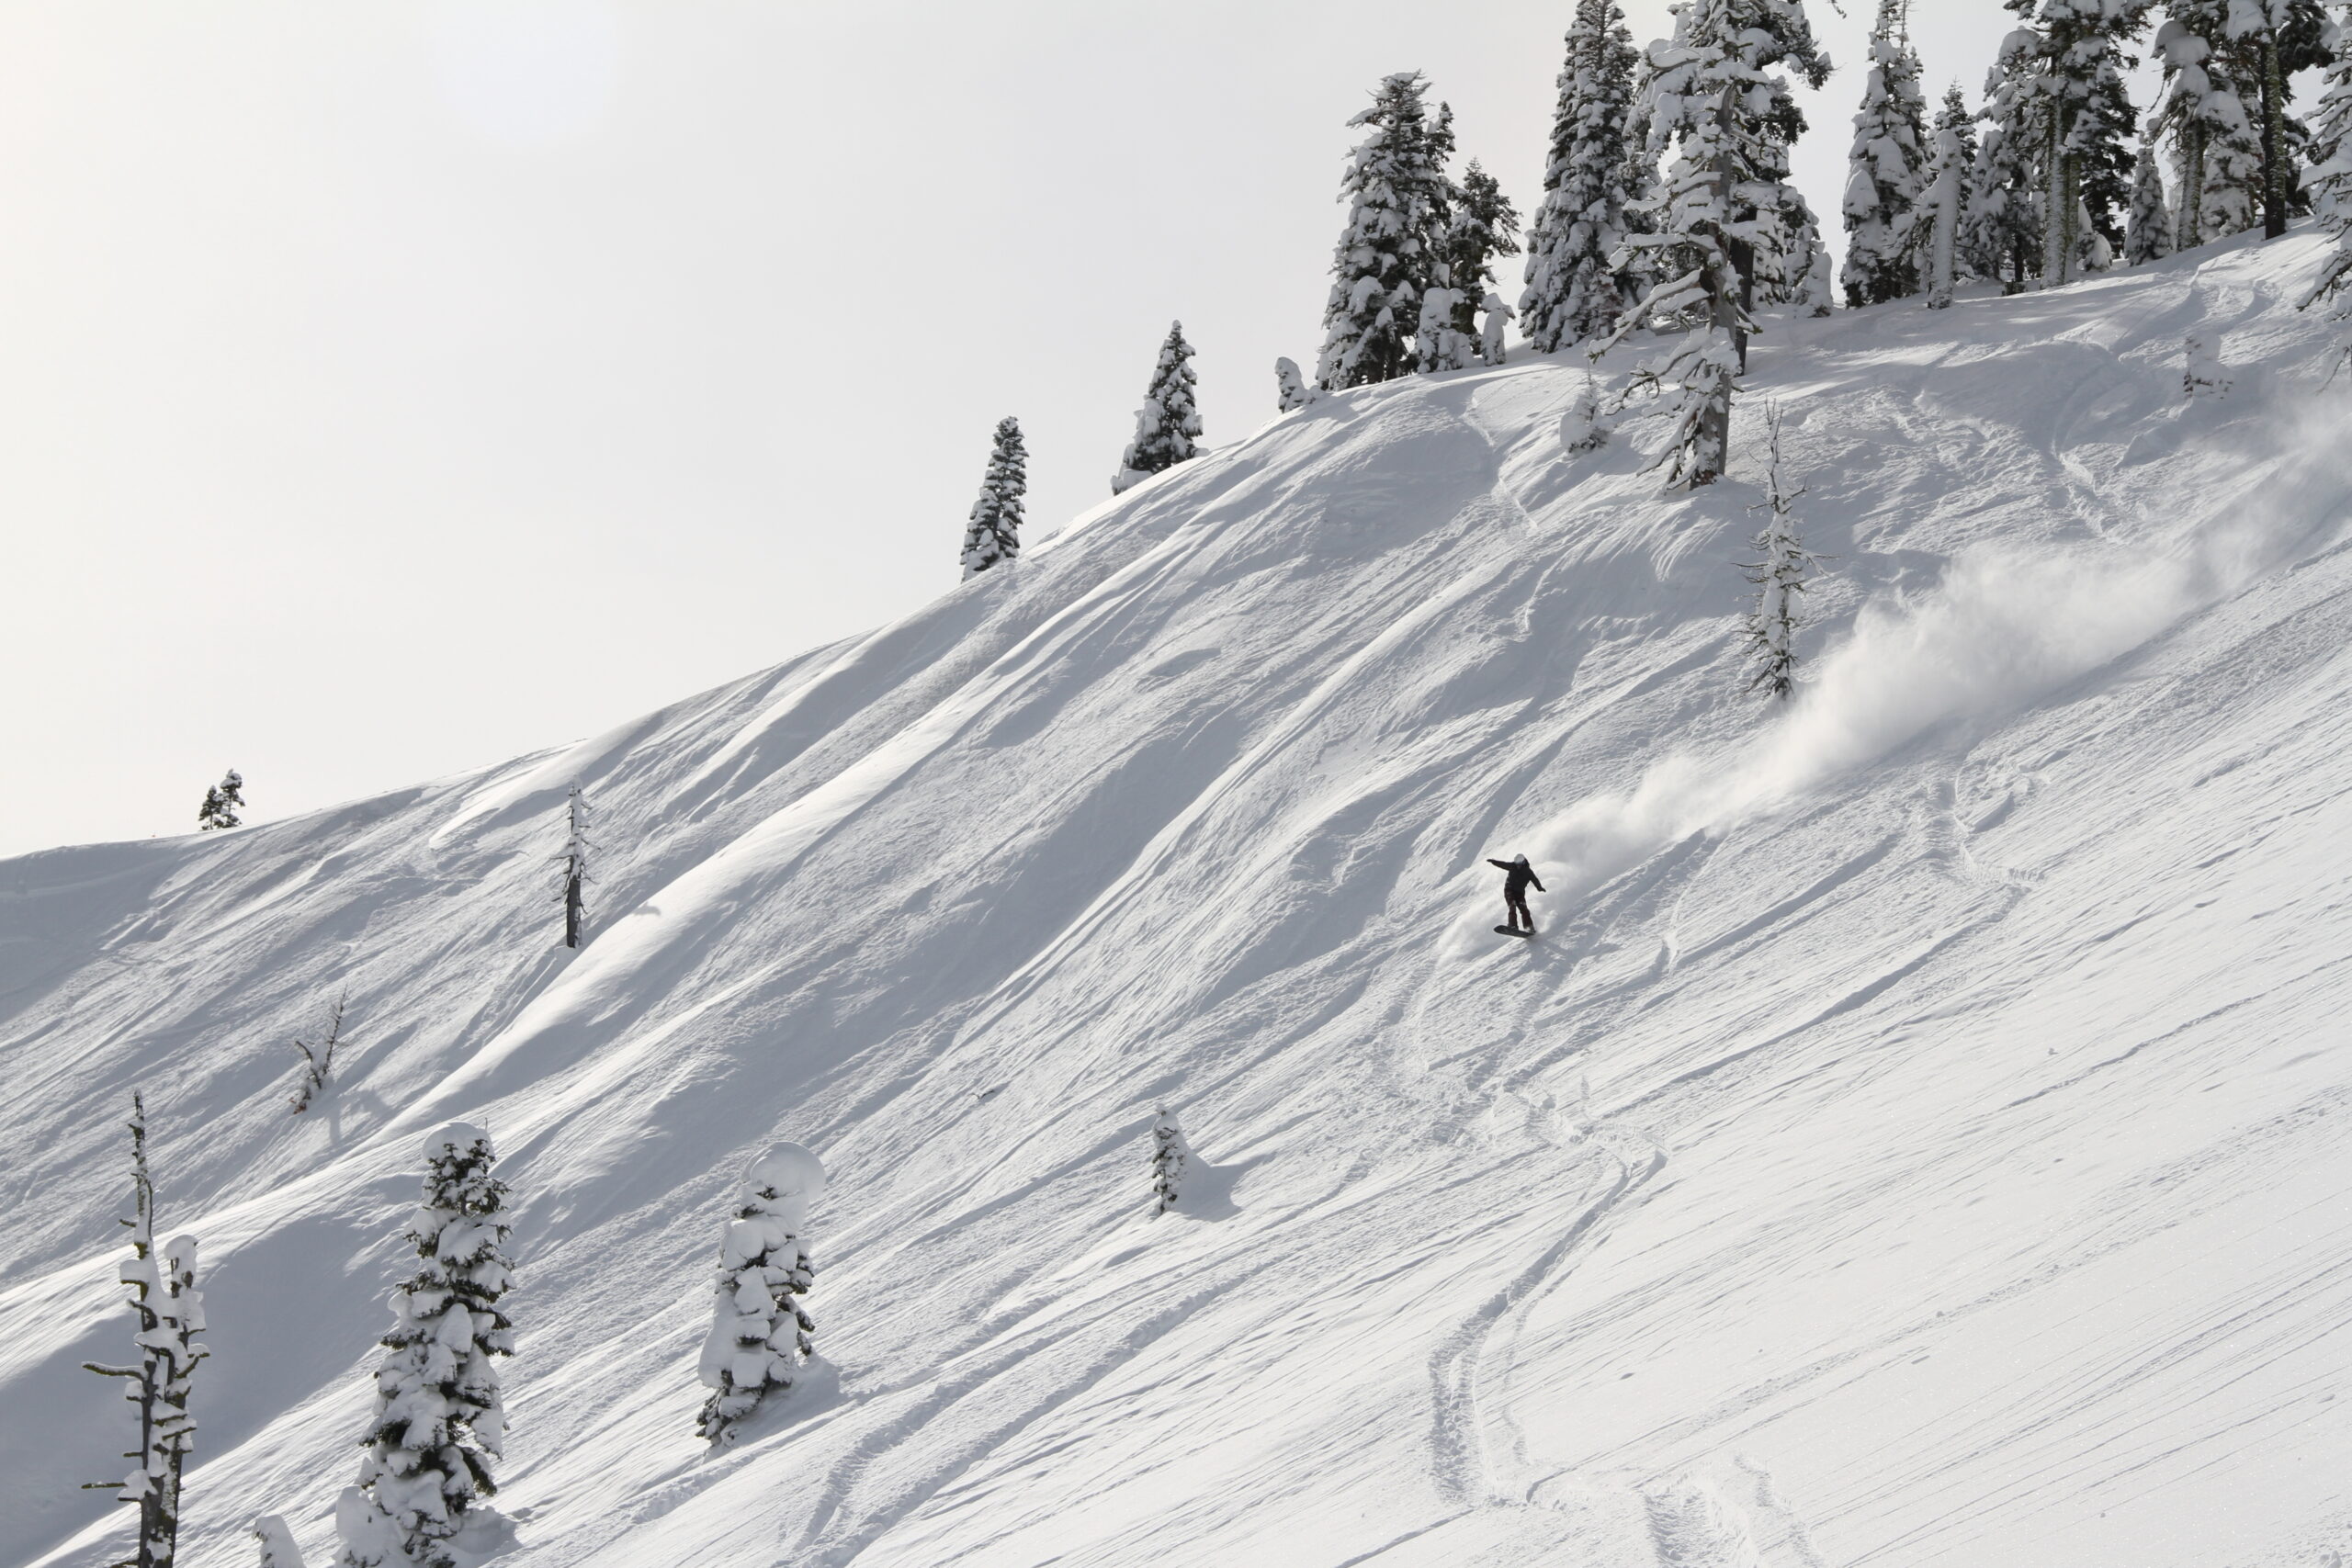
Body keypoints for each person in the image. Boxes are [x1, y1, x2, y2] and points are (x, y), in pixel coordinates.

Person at [1486, 853, 1544, 933]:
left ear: (1523, 863)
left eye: (1519, 865)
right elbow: (1503, 864)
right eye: (1517, 864)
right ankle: (1513, 925)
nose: (1518, 866)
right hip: (1509, 889)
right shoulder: (1512, 866)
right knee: (1512, 906)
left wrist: (1539, 888)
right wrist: (1494, 862)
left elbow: (1535, 880)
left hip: (1520, 892)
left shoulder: (1528, 872)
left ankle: (1529, 927)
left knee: (1524, 909)